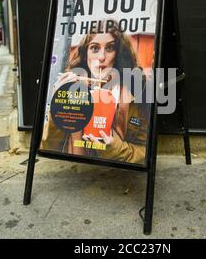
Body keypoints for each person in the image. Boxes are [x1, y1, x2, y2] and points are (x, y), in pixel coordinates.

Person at [41, 20, 150, 164]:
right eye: (94, 48)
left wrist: (115, 150)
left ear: (119, 53)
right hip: (74, 174)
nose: (101, 57)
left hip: (116, 177)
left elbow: (145, 152)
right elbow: (48, 148)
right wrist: (59, 105)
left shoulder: (136, 92)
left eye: (110, 48)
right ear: (85, 54)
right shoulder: (73, 88)